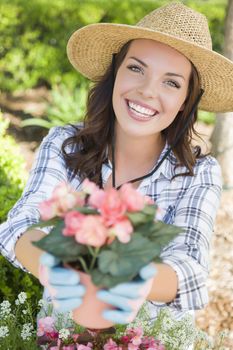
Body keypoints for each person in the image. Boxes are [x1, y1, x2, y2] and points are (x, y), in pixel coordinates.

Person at [1, 1, 233, 329]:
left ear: (186, 102)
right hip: (62, 337)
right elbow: (21, 225)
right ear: (115, 72)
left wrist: (137, 280)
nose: (147, 91)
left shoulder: (198, 173)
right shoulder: (65, 145)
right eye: (136, 68)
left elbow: (191, 268)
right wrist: (51, 267)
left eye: (172, 82)